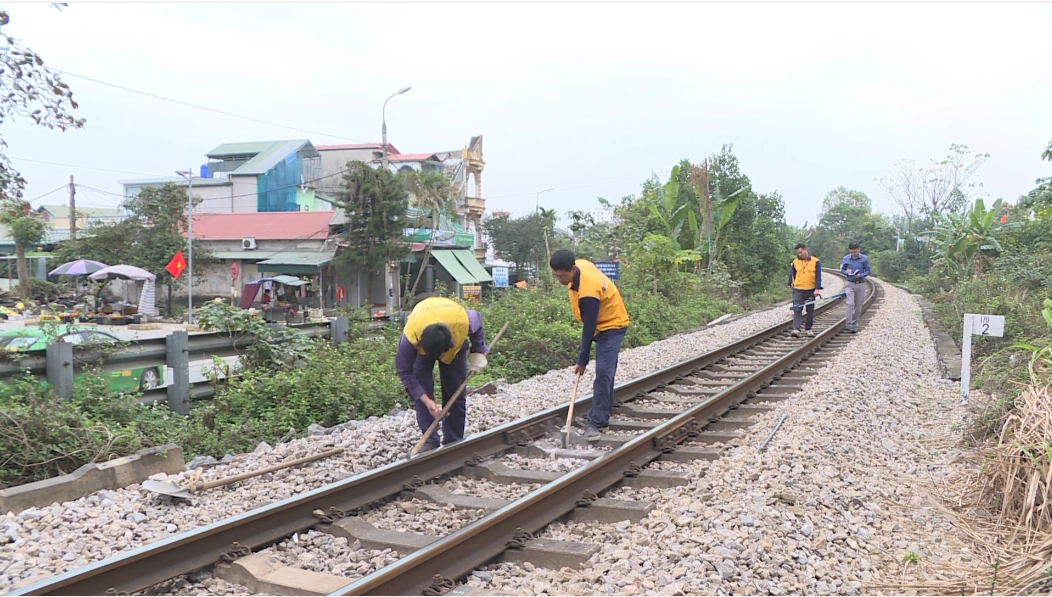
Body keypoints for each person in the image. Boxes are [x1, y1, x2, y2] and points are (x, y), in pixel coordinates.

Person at [549, 249, 630, 441]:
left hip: (612, 325)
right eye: (556, 275)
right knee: (605, 373)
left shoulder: (588, 291)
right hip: (598, 323)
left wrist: (582, 359)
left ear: (573, 269)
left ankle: (596, 423)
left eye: (564, 275)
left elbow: (590, 325)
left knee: (603, 372)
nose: (561, 279)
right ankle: (602, 413)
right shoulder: (580, 265)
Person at [395, 297, 489, 453]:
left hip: (454, 350)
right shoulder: (411, 337)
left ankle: (453, 440)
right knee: (421, 389)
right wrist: (427, 401)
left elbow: (477, 322)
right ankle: (430, 440)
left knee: (455, 392)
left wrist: (478, 351)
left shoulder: (462, 321)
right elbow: (405, 371)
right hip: (423, 348)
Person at [788, 243, 822, 338]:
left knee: (810, 310)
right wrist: (789, 283)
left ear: (805, 249)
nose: (799, 255)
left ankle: (808, 329)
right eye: (798, 253)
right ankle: (796, 329)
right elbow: (792, 273)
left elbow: (818, 276)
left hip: (810, 289)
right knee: (797, 309)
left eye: (800, 252)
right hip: (798, 289)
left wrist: (817, 289)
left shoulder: (816, 261)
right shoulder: (795, 262)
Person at [840, 242, 870, 333]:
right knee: (850, 303)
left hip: (860, 283)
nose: (853, 254)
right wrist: (846, 272)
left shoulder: (864, 259)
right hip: (850, 283)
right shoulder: (846, 258)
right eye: (851, 252)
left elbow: (868, 271)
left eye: (855, 252)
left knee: (858, 306)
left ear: (858, 250)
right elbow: (842, 269)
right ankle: (848, 323)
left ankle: (854, 323)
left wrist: (861, 275)